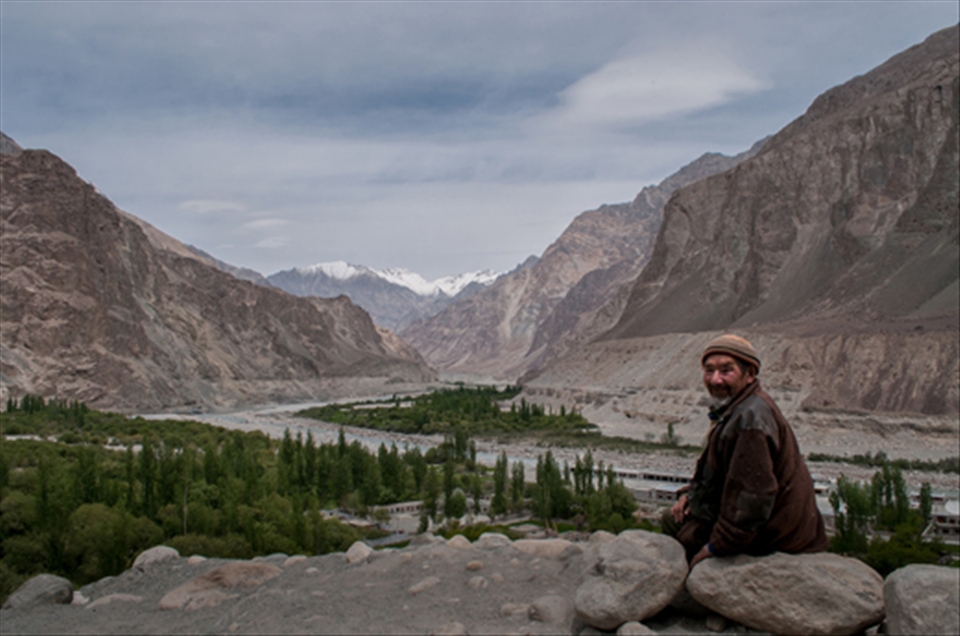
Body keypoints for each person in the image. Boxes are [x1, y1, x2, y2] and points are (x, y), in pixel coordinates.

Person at [662, 334, 828, 568]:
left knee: (672, 524)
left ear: (749, 374)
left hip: (775, 536)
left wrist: (715, 547)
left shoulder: (750, 420)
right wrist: (689, 495)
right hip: (774, 525)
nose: (715, 380)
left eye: (726, 371)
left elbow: (752, 499)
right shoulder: (741, 408)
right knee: (676, 514)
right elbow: (724, 476)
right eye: (709, 371)